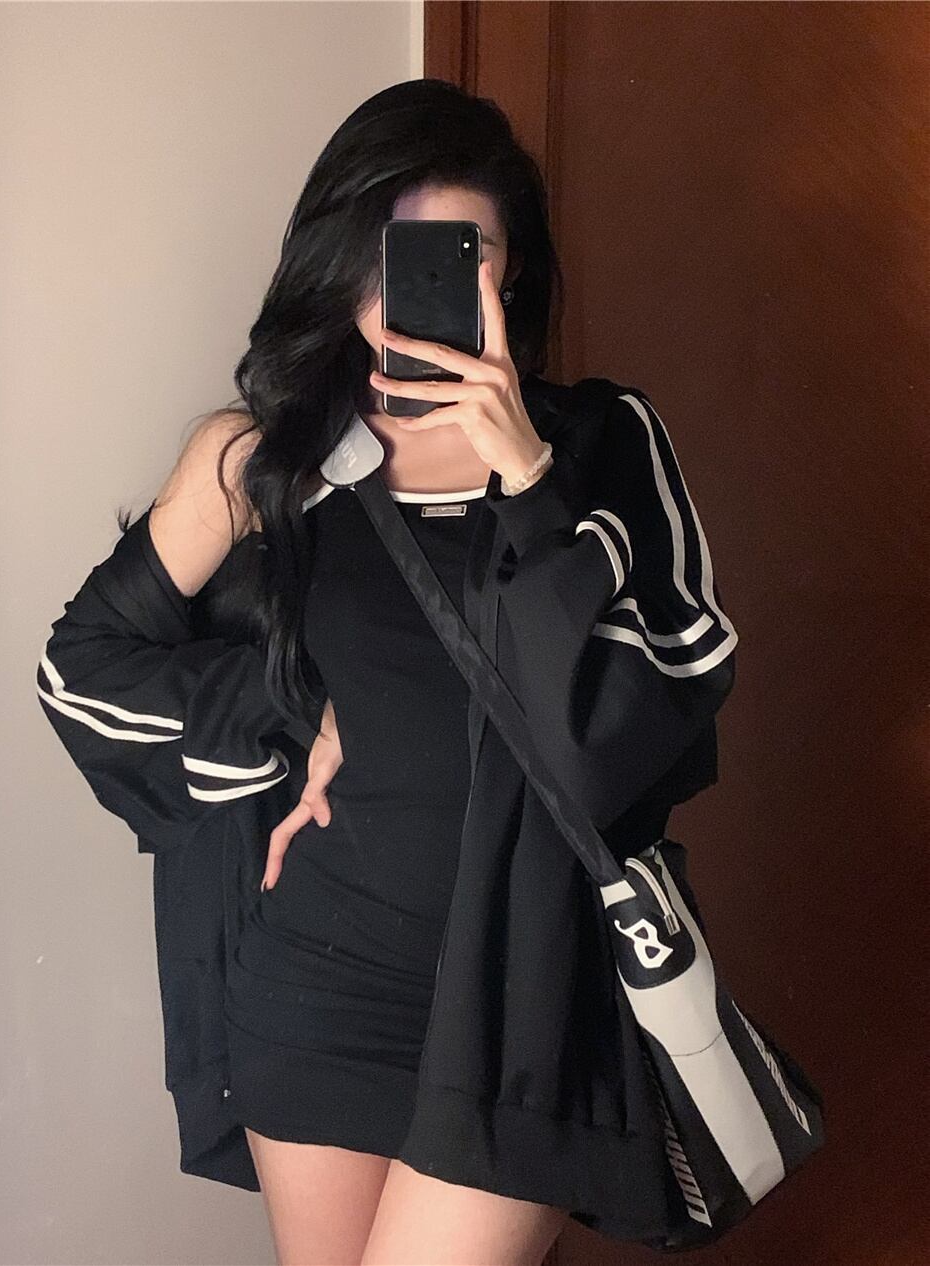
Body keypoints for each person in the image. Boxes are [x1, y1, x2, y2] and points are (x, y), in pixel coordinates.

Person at [39, 78, 738, 1265]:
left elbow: (639, 726)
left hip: (528, 1003)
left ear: (510, 273)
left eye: (461, 256)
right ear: (336, 259)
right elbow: (81, 669)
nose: (412, 290)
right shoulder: (269, 460)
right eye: (388, 254)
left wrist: (526, 483)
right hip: (317, 986)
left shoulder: (603, 444)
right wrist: (283, 714)